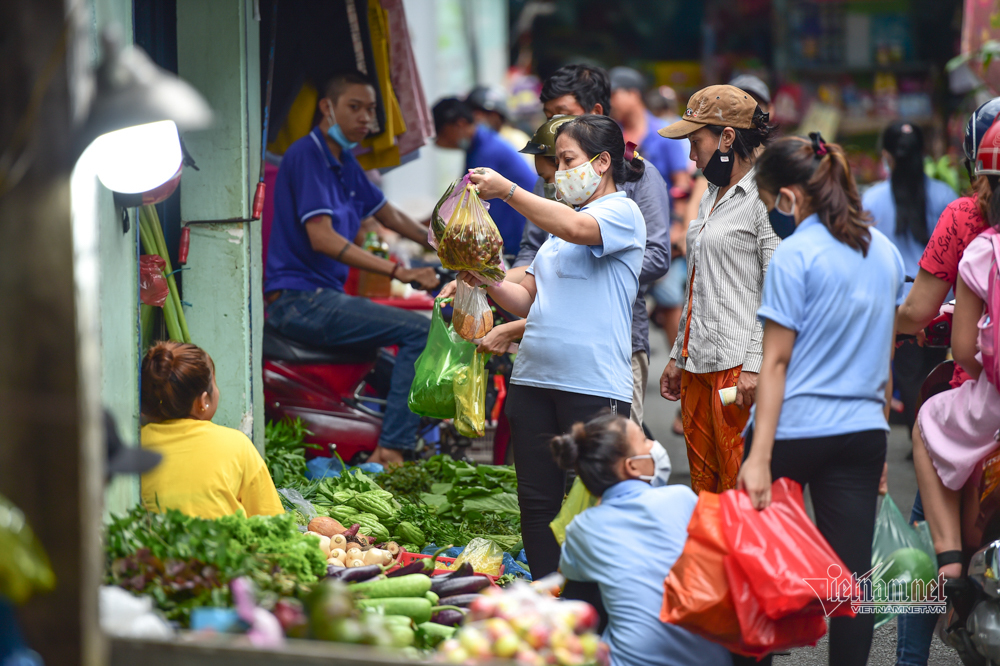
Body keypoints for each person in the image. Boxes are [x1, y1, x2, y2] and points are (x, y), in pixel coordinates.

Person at [737, 133, 905, 666]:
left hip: (792, 434)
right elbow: (884, 359)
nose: (772, 215)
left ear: (789, 197)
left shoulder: (795, 256)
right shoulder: (885, 253)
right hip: (861, 435)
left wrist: (759, 459)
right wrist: (878, 438)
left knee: (757, 573)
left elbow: (777, 363)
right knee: (850, 586)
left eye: (769, 204)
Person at [465, 114, 646, 579]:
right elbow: (522, 297)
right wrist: (480, 277)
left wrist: (508, 191)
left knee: (598, 500)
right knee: (537, 504)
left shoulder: (620, 214)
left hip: (592, 385)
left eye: (569, 160)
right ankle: (551, 599)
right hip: (533, 380)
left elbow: (578, 230)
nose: (561, 171)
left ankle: (599, 608)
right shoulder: (553, 235)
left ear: (603, 162)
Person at [264, 73, 440, 465]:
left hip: (322, 298)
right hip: (298, 300)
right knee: (422, 329)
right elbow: (322, 237)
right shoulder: (307, 155)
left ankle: (393, 441)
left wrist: (442, 242)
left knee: (397, 363)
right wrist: (399, 272)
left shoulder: (344, 162)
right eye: (355, 107)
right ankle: (392, 450)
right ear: (328, 108)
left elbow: (387, 212)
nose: (366, 118)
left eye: (371, 110)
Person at [484, 64, 670, 429]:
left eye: (563, 115)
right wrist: (486, 276)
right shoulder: (551, 185)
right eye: (549, 116)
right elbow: (532, 255)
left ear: (594, 114)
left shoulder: (632, 186)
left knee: (608, 458)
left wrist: (587, 279)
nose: (554, 126)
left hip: (613, 343)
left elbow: (656, 255)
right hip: (550, 349)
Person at [893, 96, 1000, 666]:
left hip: (974, 398)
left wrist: (890, 328)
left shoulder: (966, 221)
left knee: (922, 539)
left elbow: (918, 312)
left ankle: (912, 655)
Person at [657, 85, 779, 494]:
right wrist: (677, 355)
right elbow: (698, 283)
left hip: (736, 369)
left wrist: (755, 365)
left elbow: (776, 290)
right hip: (696, 363)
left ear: (727, 137)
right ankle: (712, 560)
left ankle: (741, 561)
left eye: (697, 142)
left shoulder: (766, 200)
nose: (692, 156)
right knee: (702, 487)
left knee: (739, 486)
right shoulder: (711, 193)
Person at [552, 413, 732, 666]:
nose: (653, 447)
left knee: (587, 585)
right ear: (632, 466)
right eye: (645, 440)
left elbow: (574, 597)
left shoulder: (582, 527)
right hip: (713, 657)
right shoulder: (682, 499)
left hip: (630, 661)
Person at [911, 112, 1000, 585]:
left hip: (984, 399)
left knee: (926, 427)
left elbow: (962, 346)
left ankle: (948, 561)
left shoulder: (977, 237)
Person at [864, 122, 957, 432]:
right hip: (940, 310)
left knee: (905, 377)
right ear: (924, 154)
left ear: (887, 156)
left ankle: (920, 433)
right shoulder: (946, 196)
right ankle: (928, 433)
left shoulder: (871, 201)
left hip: (895, 310)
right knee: (934, 378)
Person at [140, 341, 284, 519]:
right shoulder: (237, 445)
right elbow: (273, 522)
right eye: (214, 384)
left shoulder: (137, 442)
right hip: (224, 546)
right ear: (203, 402)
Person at [433, 97, 538, 255]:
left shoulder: (485, 152)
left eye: (441, 133)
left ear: (460, 124)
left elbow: (465, 202)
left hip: (520, 236)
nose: (439, 141)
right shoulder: (479, 144)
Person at [609, 67, 693, 208]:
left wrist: (678, 224)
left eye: (613, 95)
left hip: (661, 221)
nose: (610, 102)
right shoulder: (611, 134)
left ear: (633, 94)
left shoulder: (665, 134)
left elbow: (681, 183)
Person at [466, 84, 534, 167]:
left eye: (479, 114)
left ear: (496, 115)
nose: (476, 120)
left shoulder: (513, 140)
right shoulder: (479, 144)